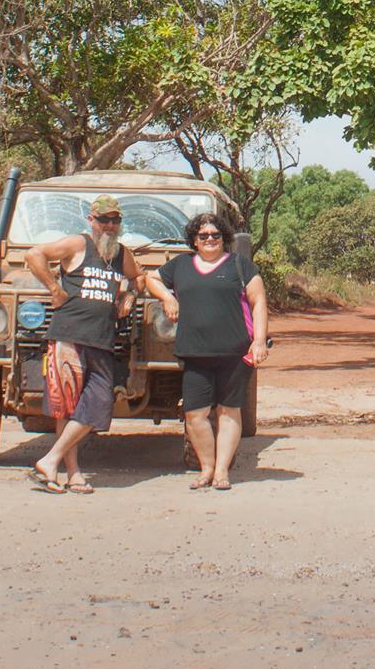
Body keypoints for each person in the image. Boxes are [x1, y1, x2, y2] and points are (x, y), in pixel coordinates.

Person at [141, 212, 270, 492]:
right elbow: (150, 278)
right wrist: (167, 297)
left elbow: (258, 302)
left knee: (229, 411)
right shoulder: (181, 266)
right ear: (194, 241)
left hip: (234, 353)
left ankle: (222, 471)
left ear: (224, 239)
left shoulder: (240, 265)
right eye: (203, 236)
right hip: (194, 353)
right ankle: (206, 468)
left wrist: (259, 341)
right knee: (195, 415)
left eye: (216, 235)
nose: (210, 239)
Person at [22, 194, 139, 495]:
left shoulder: (120, 254)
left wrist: (128, 295)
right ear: (92, 220)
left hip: (102, 340)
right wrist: (53, 287)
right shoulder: (78, 244)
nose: (109, 225)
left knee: (98, 403)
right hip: (70, 337)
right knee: (69, 407)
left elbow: (138, 277)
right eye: (103, 220)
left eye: (115, 220)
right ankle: (70, 472)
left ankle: (51, 463)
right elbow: (34, 255)